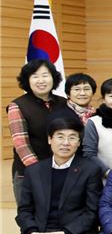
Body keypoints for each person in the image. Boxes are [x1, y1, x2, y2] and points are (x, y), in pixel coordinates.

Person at [7, 59, 76, 204]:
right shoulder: (17, 105)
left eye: (45, 75)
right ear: (27, 80)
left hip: (63, 171)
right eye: (35, 76)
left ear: (53, 78)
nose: (41, 80)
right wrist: (40, 170)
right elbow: (21, 144)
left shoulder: (63, 102)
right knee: (31, 215)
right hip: (29, 173)